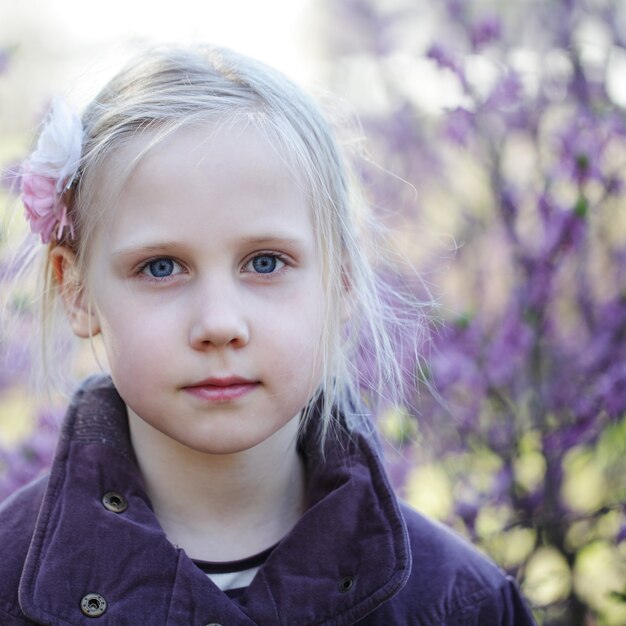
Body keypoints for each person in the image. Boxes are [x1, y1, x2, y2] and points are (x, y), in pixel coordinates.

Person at [0, 45, 537, 625]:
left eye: (265, 262)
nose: (220, 324)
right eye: (160, 267)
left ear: (340, 280)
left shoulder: (462, 605)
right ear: (76, 290)